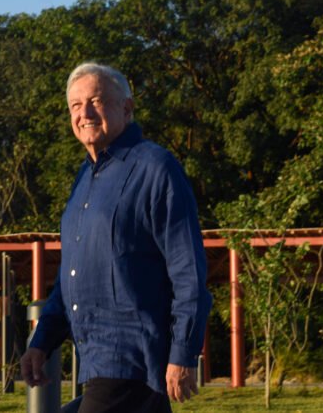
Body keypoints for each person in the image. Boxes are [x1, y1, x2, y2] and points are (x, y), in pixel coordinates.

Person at [20, 62, 212, 412]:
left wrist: (183, 353)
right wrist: (41, 342)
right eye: (76, 105)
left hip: (133, 358)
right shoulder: (83, 180)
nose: (85, 113)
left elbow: (189, 272)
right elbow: (72, 275)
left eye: (96, 101)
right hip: (97, 361)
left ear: (126, 108)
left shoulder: (156, 168)